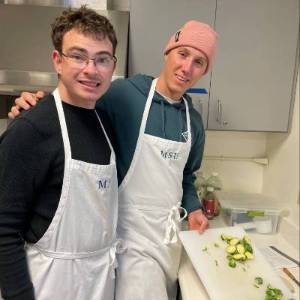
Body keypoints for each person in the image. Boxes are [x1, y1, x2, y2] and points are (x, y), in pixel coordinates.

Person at [9, 20, 218, 300]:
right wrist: (35, 103)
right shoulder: (125, 95)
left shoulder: (193, 122)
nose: (187, 68)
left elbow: (186, 176)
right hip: (128, 240)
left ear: (205, 71)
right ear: (168, 52)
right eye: (183, 54)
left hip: (167, 242)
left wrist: (192, 209)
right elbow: (74, 101)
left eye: (199, 62)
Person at [0, 6, 120, 300]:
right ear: (57, 60)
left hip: (98, 281)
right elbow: (3, 230)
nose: (91, 70)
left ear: (112, 67)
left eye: (102, 59)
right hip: (48, 285)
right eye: (78, 56)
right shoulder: (32, 128)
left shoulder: (104, 122)